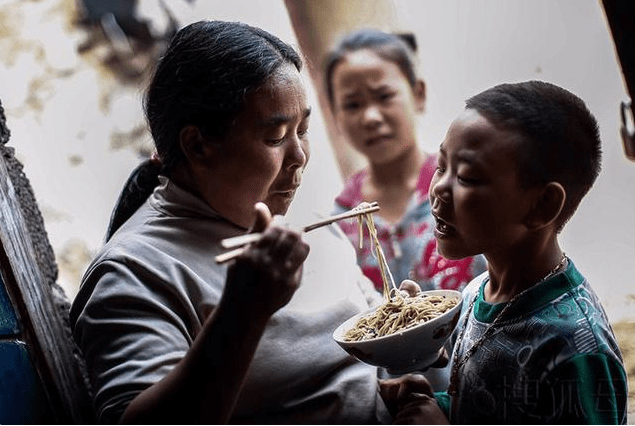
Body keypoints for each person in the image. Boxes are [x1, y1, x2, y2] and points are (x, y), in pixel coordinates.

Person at [69, 20, 421, 424]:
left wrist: (398, 374)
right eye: (275, 137)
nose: (300, 157)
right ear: (197, 145)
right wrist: (242, 311)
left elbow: (352, 361)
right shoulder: (134, 270)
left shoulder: (302, 218)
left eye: (303, 130)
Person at [380, 80, 628, 424]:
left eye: (466, 176)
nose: (438, 188)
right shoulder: (475, 293)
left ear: (541, 205)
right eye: (441, 166)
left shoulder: (573, 348)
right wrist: (433, 400)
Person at [323, 28, 487, 392]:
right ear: (334, 116)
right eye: (351, 104)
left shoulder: (465, 189)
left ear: (418, 94)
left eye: (384, 96)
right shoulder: (342, 220)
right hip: (399, 403)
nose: (370, 117)